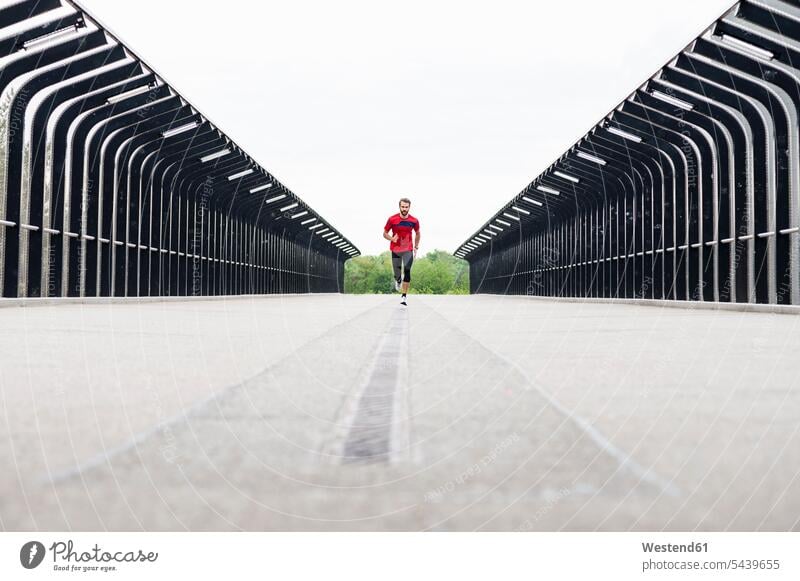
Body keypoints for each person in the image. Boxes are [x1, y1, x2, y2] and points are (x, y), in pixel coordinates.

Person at [383, 197, 420, 306]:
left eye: (406, 207)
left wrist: (416, 247)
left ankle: (404, 296)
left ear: (409, 207)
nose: (404, 209)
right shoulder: (392, 219)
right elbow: (384, 233)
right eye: (402, 207)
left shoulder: (414, 220)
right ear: (399, 206)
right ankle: (398, 280)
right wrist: (391, 238)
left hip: (408, 249)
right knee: (397, 273)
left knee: (407, 270)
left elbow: (418, 233)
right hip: (395, 249)